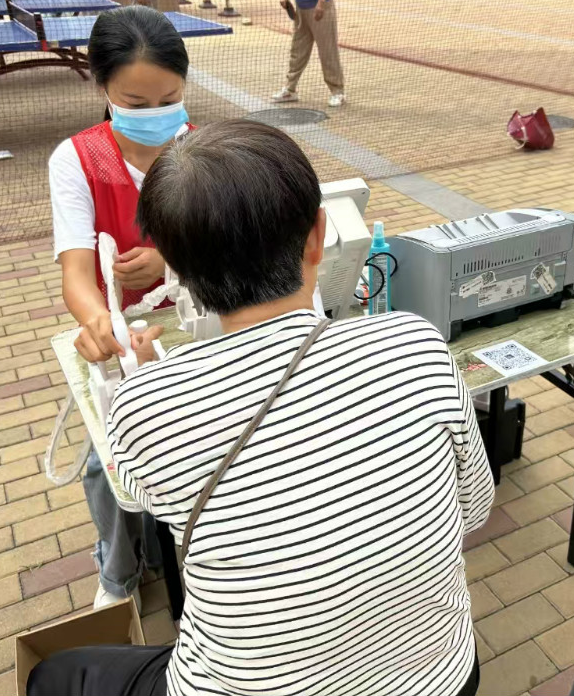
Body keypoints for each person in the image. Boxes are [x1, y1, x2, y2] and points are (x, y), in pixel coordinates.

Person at [27, 120, 494, 696]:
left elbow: (153, 500)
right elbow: (474, 509)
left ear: (175, 269)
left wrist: (146, 376)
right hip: (442, 677)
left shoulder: (144, 404)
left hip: (249, 686)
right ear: (318, 236)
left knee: (54, 675)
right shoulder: (416, 344)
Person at [49, 5, 193, 610]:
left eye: (171, 99)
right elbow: (76, 270)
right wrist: (96, 321)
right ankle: (119, 571)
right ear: (103, 88)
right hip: (123, 334)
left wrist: (169, 260)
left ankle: (201, 555)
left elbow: (227, 243)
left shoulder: (202, 150)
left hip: (196, 320)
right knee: (104, 467)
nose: (157, 114)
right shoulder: (77, 160)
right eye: (136, 102)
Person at [271, 0, 345, 107]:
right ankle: (290, 90)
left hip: (320, 8)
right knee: (297, 50)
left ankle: (337, 91)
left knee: (327, 51)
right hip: (301, 8)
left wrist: (321, 4)